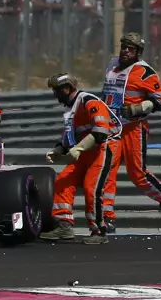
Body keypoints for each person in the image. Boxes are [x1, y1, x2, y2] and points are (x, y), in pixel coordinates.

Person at [99, 32, 161, 231]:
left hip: (134, 129)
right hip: (112, 128)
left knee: (138, 174)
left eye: (130, 49)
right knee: (107, 172)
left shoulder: (145, 72)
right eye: (123, 46)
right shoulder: (111, 64)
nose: (125, 51)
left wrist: (138, 109)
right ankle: (107, 217)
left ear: (138, 52)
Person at [41, 73, 121, 244]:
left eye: (56, 90)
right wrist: (57, 151)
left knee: (91, 188)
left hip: (102, 148)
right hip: (85, 151)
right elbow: (68, 139)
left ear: (66, 88)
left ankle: (99, 231)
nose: (54, 95)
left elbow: (101, 131)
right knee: (63, 181)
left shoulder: (88, 101)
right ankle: (64, 226)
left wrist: (78, 148)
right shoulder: (70, 110)